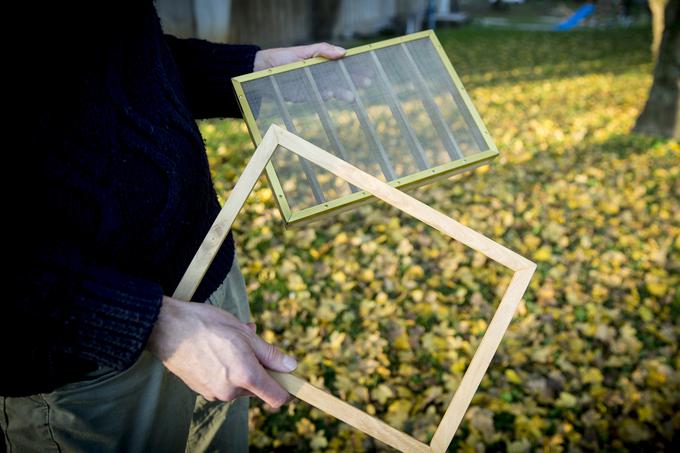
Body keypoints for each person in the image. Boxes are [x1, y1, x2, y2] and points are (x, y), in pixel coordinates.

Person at [1, 1, 345, 451]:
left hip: (208, 285)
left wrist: (248, 67)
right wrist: (153, 323)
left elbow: (119, 58)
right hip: (88, 359)